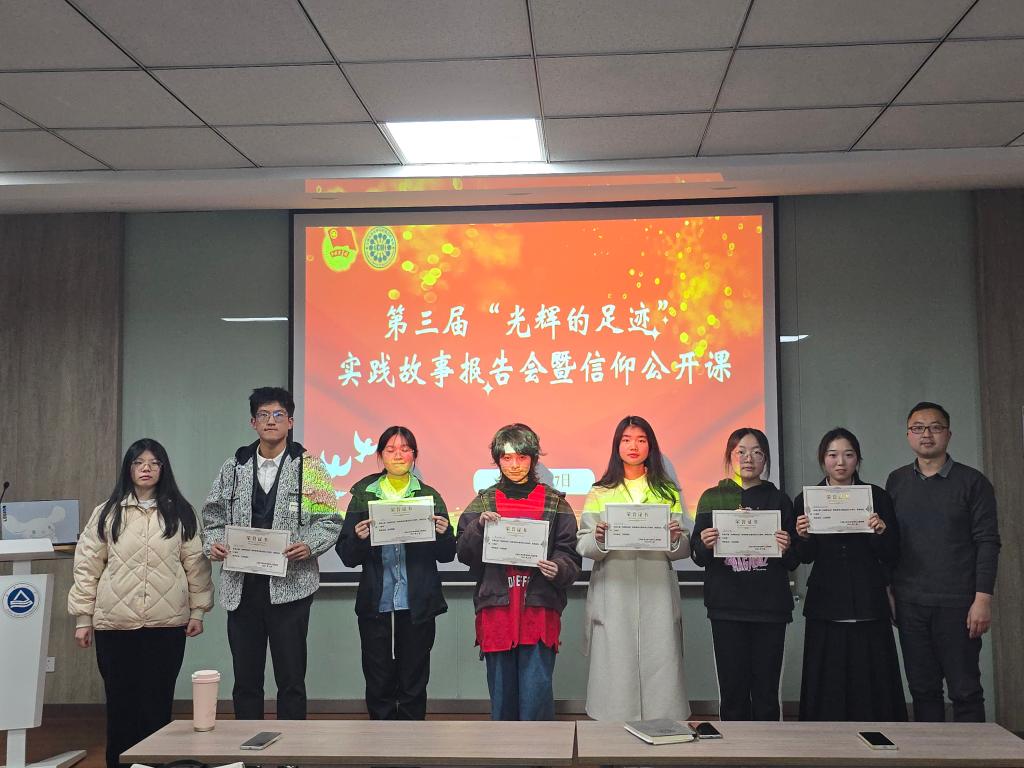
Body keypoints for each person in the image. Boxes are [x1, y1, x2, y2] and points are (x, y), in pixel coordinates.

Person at [68, 439, 213, 768]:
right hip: (114, 625)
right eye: (138, 462)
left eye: (153, 463)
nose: (146, 468)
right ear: (128, 469)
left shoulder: (180, 512)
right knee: (120, 704)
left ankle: (153, 764)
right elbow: (87, 566)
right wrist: (83, 618)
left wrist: (198, 611)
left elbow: (196, 565)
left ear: (163, 469)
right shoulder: (107, 512)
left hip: (166, 625)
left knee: (157, 705)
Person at [201, 386, 341, 720]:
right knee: (245, 679)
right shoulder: (234, 466)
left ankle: (292, 747)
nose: (271, 421)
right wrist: (214, 543)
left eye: (278, 414)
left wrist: (310, 545)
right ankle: (248, 743)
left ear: (290, 421)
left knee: (291, 679)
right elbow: (212, 517)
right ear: (253, 422)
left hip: (290, 589)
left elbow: (329, 520)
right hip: (242, 587)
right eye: (263, 415)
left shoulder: (310, 468)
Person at [456, 423, 581, 720]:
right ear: (498, 460)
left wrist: (558, 568)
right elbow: (462, 552)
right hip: (497, 610)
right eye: (507, 457)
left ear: (533, 459)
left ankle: (540, 749)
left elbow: (570, 554)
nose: (514, 464)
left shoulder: (555, 502)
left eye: (522, 457)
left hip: (539, 609)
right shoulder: (483, 502)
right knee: (501, 699)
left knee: (536, 695)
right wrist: (478, 527)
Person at [886, 402, 1000, 722]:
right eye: (918, 428)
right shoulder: (896, 481)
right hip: (910, 602)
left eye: (935, 427)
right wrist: (889, 590)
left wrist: (983, 599)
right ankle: (930, 750)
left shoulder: (973, 482)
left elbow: (988, 542)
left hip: (959, 603)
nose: (927, 434)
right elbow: (890, 542)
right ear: (908, 435)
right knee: (923, 690)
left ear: (948, 434)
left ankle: (973, 750)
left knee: (965, 691)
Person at [337, 426, 456, 720]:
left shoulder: (429, 496)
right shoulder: (364, 496)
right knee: (377, 676)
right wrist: (358, 538)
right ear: (380, 455)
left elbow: (447, 554)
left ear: (414, 455)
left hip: (417, 601)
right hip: (376, 600)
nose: (398, 455)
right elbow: (347, 556)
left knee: (414, 676)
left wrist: (443, 533)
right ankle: (381, 738)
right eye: (390, 450)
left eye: (405, 449)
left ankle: (412, 738)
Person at [577, 415, 690, 721]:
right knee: (615, 672)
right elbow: (583, 543)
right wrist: (599, 538)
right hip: (614, 592)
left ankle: (662, 734)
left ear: (650, 445)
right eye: (626, 440)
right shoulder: (600, 491)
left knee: (661, 667)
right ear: (617, 446)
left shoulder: (667, 491)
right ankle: (612, 737)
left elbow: (683, 548)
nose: (633, 446)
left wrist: (675, 539)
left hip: (657, 593)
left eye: (641, 440)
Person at [794, 427, 906, 721]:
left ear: (858, 459)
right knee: (827, 680)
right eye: (833, 455)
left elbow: (892, 553)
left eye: (848, 454)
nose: (840, 462)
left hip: (868, 599)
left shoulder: (877, 497)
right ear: (823, 460)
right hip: (825, 602)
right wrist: (803, 536)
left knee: (873, 679)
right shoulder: (807, 499)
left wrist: (881, 531)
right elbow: (804, 557)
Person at [690, 427, 799, 721]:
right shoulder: (712, 498)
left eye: (757, 452)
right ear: (730, 457)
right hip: (726, 607)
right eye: (741, 452)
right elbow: (698, 556)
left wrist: (786, 547)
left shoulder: (779, 500)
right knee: (732, 691)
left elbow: (794, 561)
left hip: (770, 609)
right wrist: (705, 543)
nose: (748, 458)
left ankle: (768, 746)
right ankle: (734, 746)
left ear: (765, 460)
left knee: (766, 693)